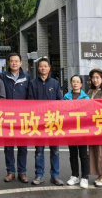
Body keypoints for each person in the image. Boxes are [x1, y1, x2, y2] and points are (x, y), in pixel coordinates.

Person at [28, 58, 64, 186]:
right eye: (41, 66)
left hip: (52, 122)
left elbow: (59, 101)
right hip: (38, 122)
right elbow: (30, 101)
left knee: (55, 151)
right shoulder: (33, 83)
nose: (43, 68)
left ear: (49, 68)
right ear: (38, 68)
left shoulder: (55, 83)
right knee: (39, 151)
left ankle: (55, 175)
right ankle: (39, 175)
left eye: (45, 66)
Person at [1, 52, 30, 184]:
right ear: (8, 63)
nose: (14, 63)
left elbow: (30, 96)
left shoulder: (27, 77)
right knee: (8, 146)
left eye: (16, 61)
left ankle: (22, 172)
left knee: (23, 146)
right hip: (7, 117)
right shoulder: (3, 77)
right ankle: (10, 171)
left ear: (21, 63)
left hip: (23, 117)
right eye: (12, 61)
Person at [63, 75, 90, 189]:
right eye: (73, 81)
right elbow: (63, 112)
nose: (75, 83)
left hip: (82, 130)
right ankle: (75, 175)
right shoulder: (66, 97)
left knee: (83, 155)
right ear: (71, 83)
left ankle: (85, 177)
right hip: (70, 130)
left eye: (77, 82)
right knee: (73, 154)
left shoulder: (86, 97)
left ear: (81, 84)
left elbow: (89, 113)